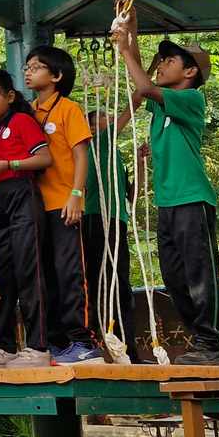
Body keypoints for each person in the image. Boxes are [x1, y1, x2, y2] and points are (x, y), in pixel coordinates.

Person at [111, 11, 219, 364]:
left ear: (190, 72)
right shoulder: (162, 107)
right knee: (175, 277)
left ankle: (211, 344)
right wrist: (129, 27)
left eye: (168, 60)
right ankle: (211, 340)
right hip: (168, 203)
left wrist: (124, 49)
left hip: (192, 199)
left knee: (199, 275)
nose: (160, 65)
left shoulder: (190, 100)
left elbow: (144, 85)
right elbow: (141, 78)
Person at [23, 45, 103, 365]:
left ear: (56, 76)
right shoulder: (27, 112)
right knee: (45, 276)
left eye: (37, 67)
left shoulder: (68, 108)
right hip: (35, 207)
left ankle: (83, 341)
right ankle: (56, 343)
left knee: (70, 271)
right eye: (27, 66)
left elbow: (82, 154)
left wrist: (77, 194)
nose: (29, 71)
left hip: (63, 203)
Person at [0, 68, 53, 368]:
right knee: (1, 273)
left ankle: (38, 345)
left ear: (10, 96)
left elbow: (44, 158)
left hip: (23, 194)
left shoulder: (21, 121)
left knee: (29, 271)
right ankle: (4, 346)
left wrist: (7, 163)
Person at [82, 107, 139, 360]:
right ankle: (98, 341)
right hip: (96, 219)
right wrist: (137, 96)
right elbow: (130, 109)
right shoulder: (97, 143)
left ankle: (127, 349)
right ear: (93, 126)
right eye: (106, 116)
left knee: (121, 286)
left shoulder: (114, 153)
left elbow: (131, 195)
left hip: (117, 221)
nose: (112, 118)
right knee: (100, 284)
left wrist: (139, 162)